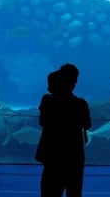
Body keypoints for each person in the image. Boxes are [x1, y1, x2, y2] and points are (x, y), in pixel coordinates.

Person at [35, 64, 92, 197]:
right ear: (74, 83)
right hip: (74, 155)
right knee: (74, 192)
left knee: (49, 192)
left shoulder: (47, 100)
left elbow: (42, 122)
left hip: (52, 154)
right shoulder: (80, 103)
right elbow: (87, 125)